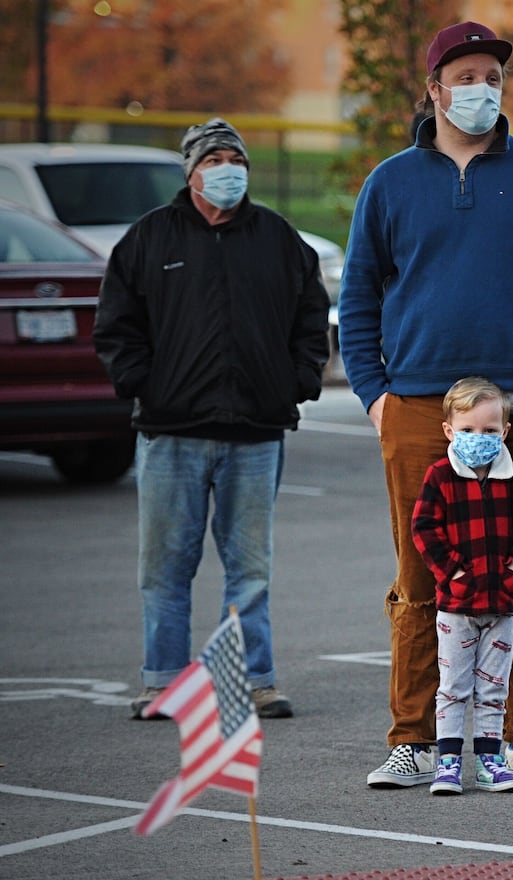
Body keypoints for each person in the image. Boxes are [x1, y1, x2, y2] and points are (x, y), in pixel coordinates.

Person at [337, 21, 513, 788]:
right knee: (422, 580)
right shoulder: (390, 181)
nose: (482, 87)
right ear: (434, 89)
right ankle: (415, 741)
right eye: (466, 75)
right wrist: (376, 398)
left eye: (493, 74)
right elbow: (358, 296)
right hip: (421, 408)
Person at [93, 118, 330, 721]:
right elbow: (116, 323)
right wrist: (142, 385)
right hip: (170, 432)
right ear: (192, 170)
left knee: (249, 571)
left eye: (237, 158)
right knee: (165, 570)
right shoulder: (149, 239)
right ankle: (163, 683)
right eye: (216, 158)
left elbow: (312, 314)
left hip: (255, 433)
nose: (230, 168)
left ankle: (255, 684)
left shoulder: (277, 238)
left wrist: (299, 380)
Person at [413, 378, 513, 795]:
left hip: (503, 605)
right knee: (453, 688)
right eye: (469, 430)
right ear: (449, 431)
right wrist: (452, 571)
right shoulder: (440, 476)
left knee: (493, 689)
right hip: (456, 607)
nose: (479, 438)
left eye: (490, 431)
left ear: (505, 432)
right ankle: (448, 763)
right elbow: (423, 528)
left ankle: (490, 761)